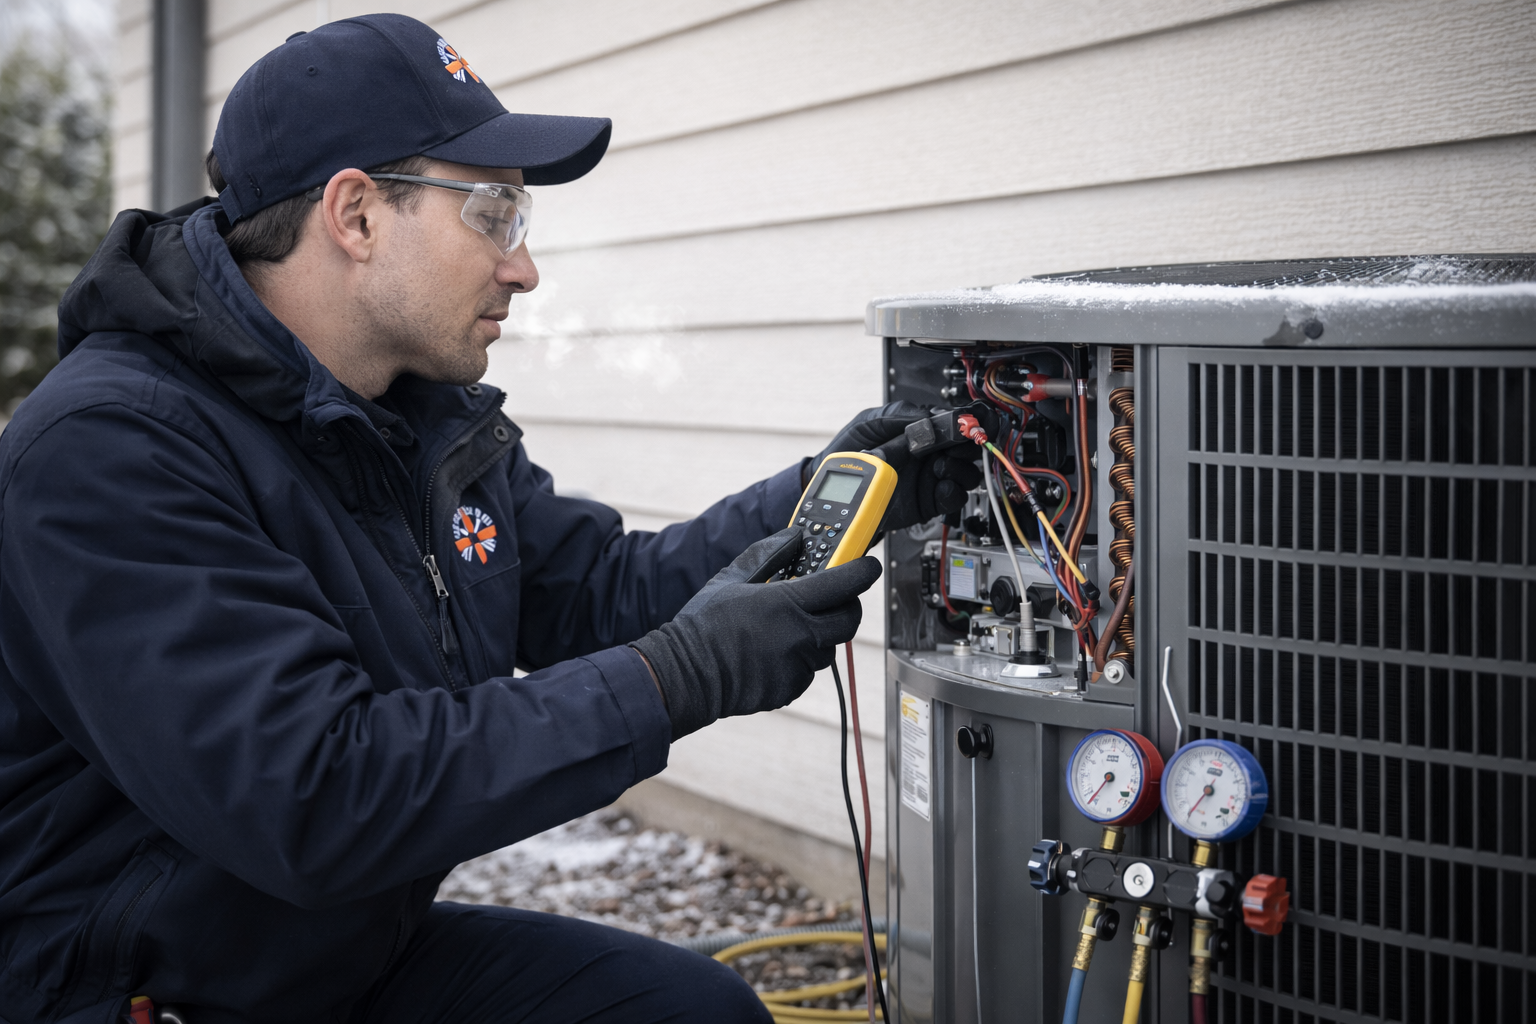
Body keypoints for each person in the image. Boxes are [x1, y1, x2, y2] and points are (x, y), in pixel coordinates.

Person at [0, 14, 976, 1024]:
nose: (523, 267)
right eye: (493, 215)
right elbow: (316, 795)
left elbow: (604, 589)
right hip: (139, 991)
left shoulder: (413, 422)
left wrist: (845, 485)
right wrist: (678, 677)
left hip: (330, 961)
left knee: (691, 1012)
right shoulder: (113, 449)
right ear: (357, 214)